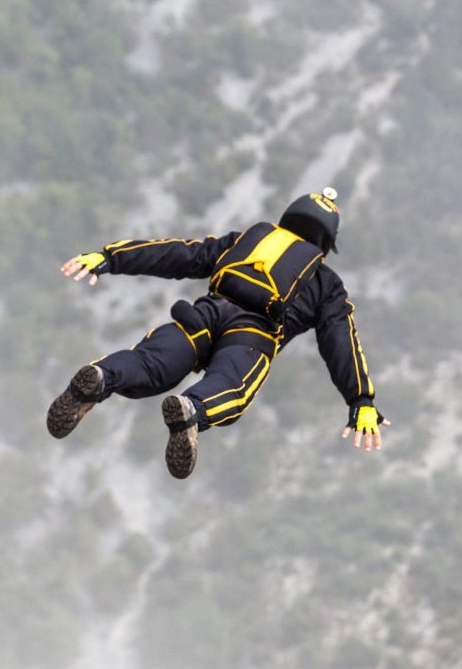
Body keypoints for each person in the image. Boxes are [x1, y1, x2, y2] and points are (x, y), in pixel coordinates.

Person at [46, 187, 389, 479]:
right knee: (233, 387)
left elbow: (179, 253)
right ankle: (192, 410)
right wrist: (361, 399)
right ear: (326, 244)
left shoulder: (245, 241)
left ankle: (103, 376)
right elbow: (340, 340)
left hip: (203, 316)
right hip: (252, 336)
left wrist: (109, 257)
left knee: (150, 365)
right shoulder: (325, 282)